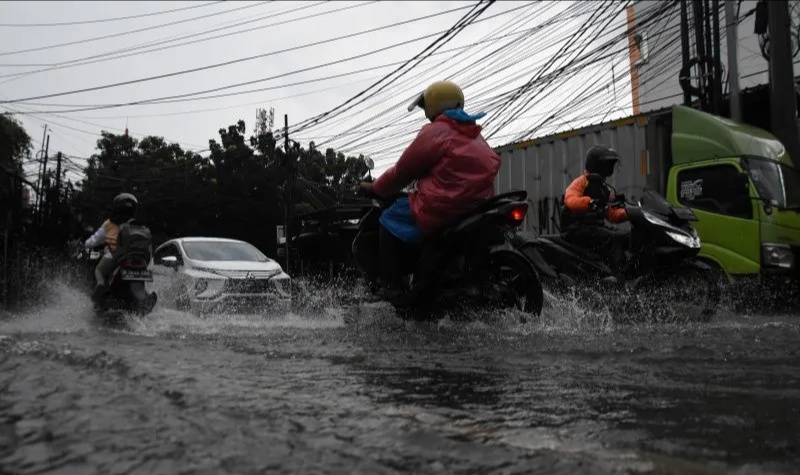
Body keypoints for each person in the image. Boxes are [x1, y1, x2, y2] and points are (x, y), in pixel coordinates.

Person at [359, 80, 501, 295]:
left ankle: (391, 287)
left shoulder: (437, 132)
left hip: (441, 207)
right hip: (475, 207)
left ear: (434, 104)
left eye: (426, 106)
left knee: (388, 219)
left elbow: (402, 171)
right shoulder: (474, 134)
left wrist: (376, 188)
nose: (425, 111)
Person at [561, 145, 629, 281]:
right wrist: (589, 202)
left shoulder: (603, 187)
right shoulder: (582, 182)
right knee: (612, 239)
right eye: (607, 164)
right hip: (576, 229)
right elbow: (570, 200)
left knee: (627, 237)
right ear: (598, 165)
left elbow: (611, 214)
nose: (610, 168)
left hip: (594, 228)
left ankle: (632, 274)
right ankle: (619, 279)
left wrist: (631, 213)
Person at [84, 193, 139, 301]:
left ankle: (101, 287)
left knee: (98, 270)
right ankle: (144, 296)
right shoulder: (135, 224)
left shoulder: (109, 223)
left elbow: (92, 242)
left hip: (113, 255)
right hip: (134, 257)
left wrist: (86, 243)